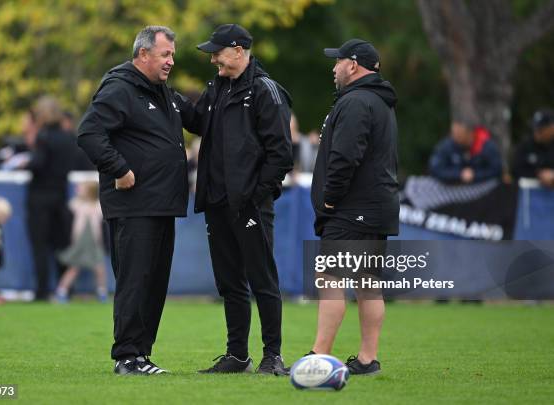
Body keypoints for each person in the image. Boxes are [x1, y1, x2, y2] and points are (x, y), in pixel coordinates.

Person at [177, 24, 293, 374]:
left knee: (262, 280)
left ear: (239, 50)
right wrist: (170, 97)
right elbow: (200, 123)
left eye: (218, 52)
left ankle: (272, 356)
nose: (213, 59)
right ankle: (237, 355)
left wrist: (255, 196)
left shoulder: (264, 90)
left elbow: (281, 154)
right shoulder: (218, 87)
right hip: (216, 201)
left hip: (250, 204)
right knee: (229, 282)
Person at [77, 26, 188, 376]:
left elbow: (202, 119)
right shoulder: (120, 88)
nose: (171, 60)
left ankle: (141, 355)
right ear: (143, 54)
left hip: (161, 203)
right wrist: (118, 168)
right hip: (134, 205)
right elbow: (89, 133)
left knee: (154, 285)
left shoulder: (162, 93)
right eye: (165, 54)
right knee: (135, 282)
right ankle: (126, 356)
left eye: (172, 54)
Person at [308, 39, 399, 376]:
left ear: (354, 65)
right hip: (376, 207)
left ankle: (319, 355)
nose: (334, 68)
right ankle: (366, 359)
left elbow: (345, 157)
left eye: (338, 61)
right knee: (367, 281)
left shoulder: (357, 101)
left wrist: (330, 199)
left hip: (352, 208)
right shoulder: (378, 100)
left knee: (330, 277)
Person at [25, 96, 75, 301]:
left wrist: (24, 163)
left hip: (40, 197)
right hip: (60, 195)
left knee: (40, 245)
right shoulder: (68, 137)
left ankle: (42, 290)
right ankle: (64, 289)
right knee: (61, 244)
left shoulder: (43, 137)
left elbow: (38, 164)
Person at [55, 181, 107, 303]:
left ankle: (102, 292)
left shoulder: (97, 206)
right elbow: (70, 207)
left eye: (82, 189)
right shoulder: (77, 204)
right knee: (74, 268)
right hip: (80, 242)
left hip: (94, 242)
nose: (79, 190)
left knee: (99, 268)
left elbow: (100, 219)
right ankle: (61, 292)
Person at [429, 121, 502, 184]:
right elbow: (435, 168)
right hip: (453, 187)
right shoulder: (447, 145)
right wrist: (459, 174)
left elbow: (497, 170)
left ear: (469, 133)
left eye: (459, 135)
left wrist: (475, 175)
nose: (454, 138)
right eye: (453, 133)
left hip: (482, 186)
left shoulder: (486, 146)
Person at [513, 108, 554, 187]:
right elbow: (516, 170)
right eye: (535, 128)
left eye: (541, 129)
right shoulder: (526, 146)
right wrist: (539, 174)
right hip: (529, 195)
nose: (537, 132)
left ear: (552, 128)